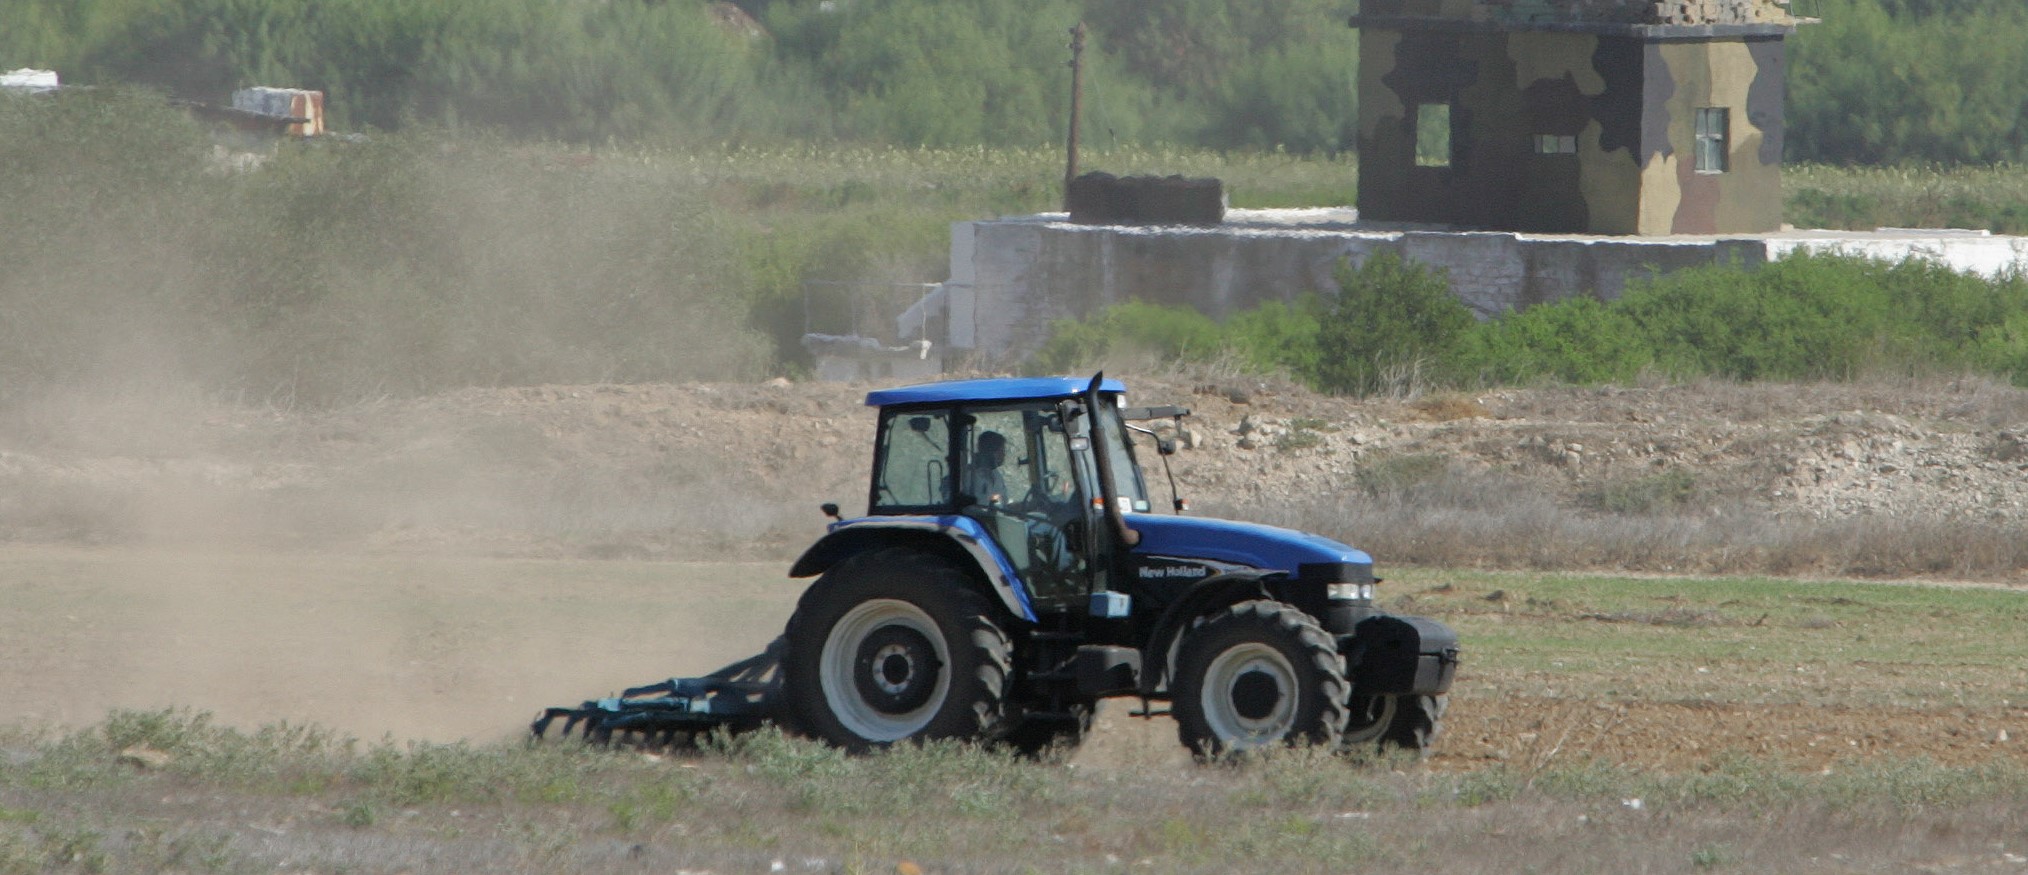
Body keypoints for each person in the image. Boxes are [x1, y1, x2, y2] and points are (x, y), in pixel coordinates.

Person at [965, 430, 1011, 506]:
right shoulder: (969, 476)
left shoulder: (996, 476)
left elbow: (1003, 504)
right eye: (1001, 451)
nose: (1003, 455)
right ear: (990, 452)